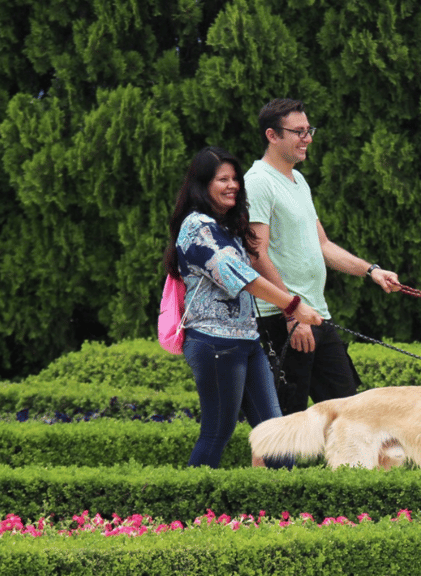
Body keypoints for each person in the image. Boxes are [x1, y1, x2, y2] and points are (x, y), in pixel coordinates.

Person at [163, 145, 323, 468]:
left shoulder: (226, 226)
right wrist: (293, 306)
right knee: (216, 433)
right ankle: (189, 513)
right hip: (214, 343)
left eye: (235, 179)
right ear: (202, 184)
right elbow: (237, 275)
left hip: (247, 342)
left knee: (275, 432)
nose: (233, 185)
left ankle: (288, 513)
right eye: (223, 179)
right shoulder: (196, 227)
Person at [245, 98, 401, 415]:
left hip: (315, 316)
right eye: (299, 131)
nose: (308, 138)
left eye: (309, 130)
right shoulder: (258, 181)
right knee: (284, 426)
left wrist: (371, 271)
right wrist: (291, 311)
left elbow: (323, 245)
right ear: (272, 135)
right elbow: (256, 254)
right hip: (282, 319)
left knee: (349, 413)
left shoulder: (298, 180)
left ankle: (348, 467)